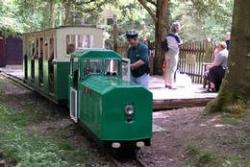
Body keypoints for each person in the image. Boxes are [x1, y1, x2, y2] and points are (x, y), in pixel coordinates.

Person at [163, 22, 183, 89]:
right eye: (179, 27)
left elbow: (165, 42)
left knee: (167, 69)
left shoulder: (168, 35)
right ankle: (170, 84)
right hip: (174, 53)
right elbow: (179, 44)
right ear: (176, 28)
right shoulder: (176, 36)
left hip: (167, 53)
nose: (179, 28)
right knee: (172, 69)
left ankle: (166, 83)